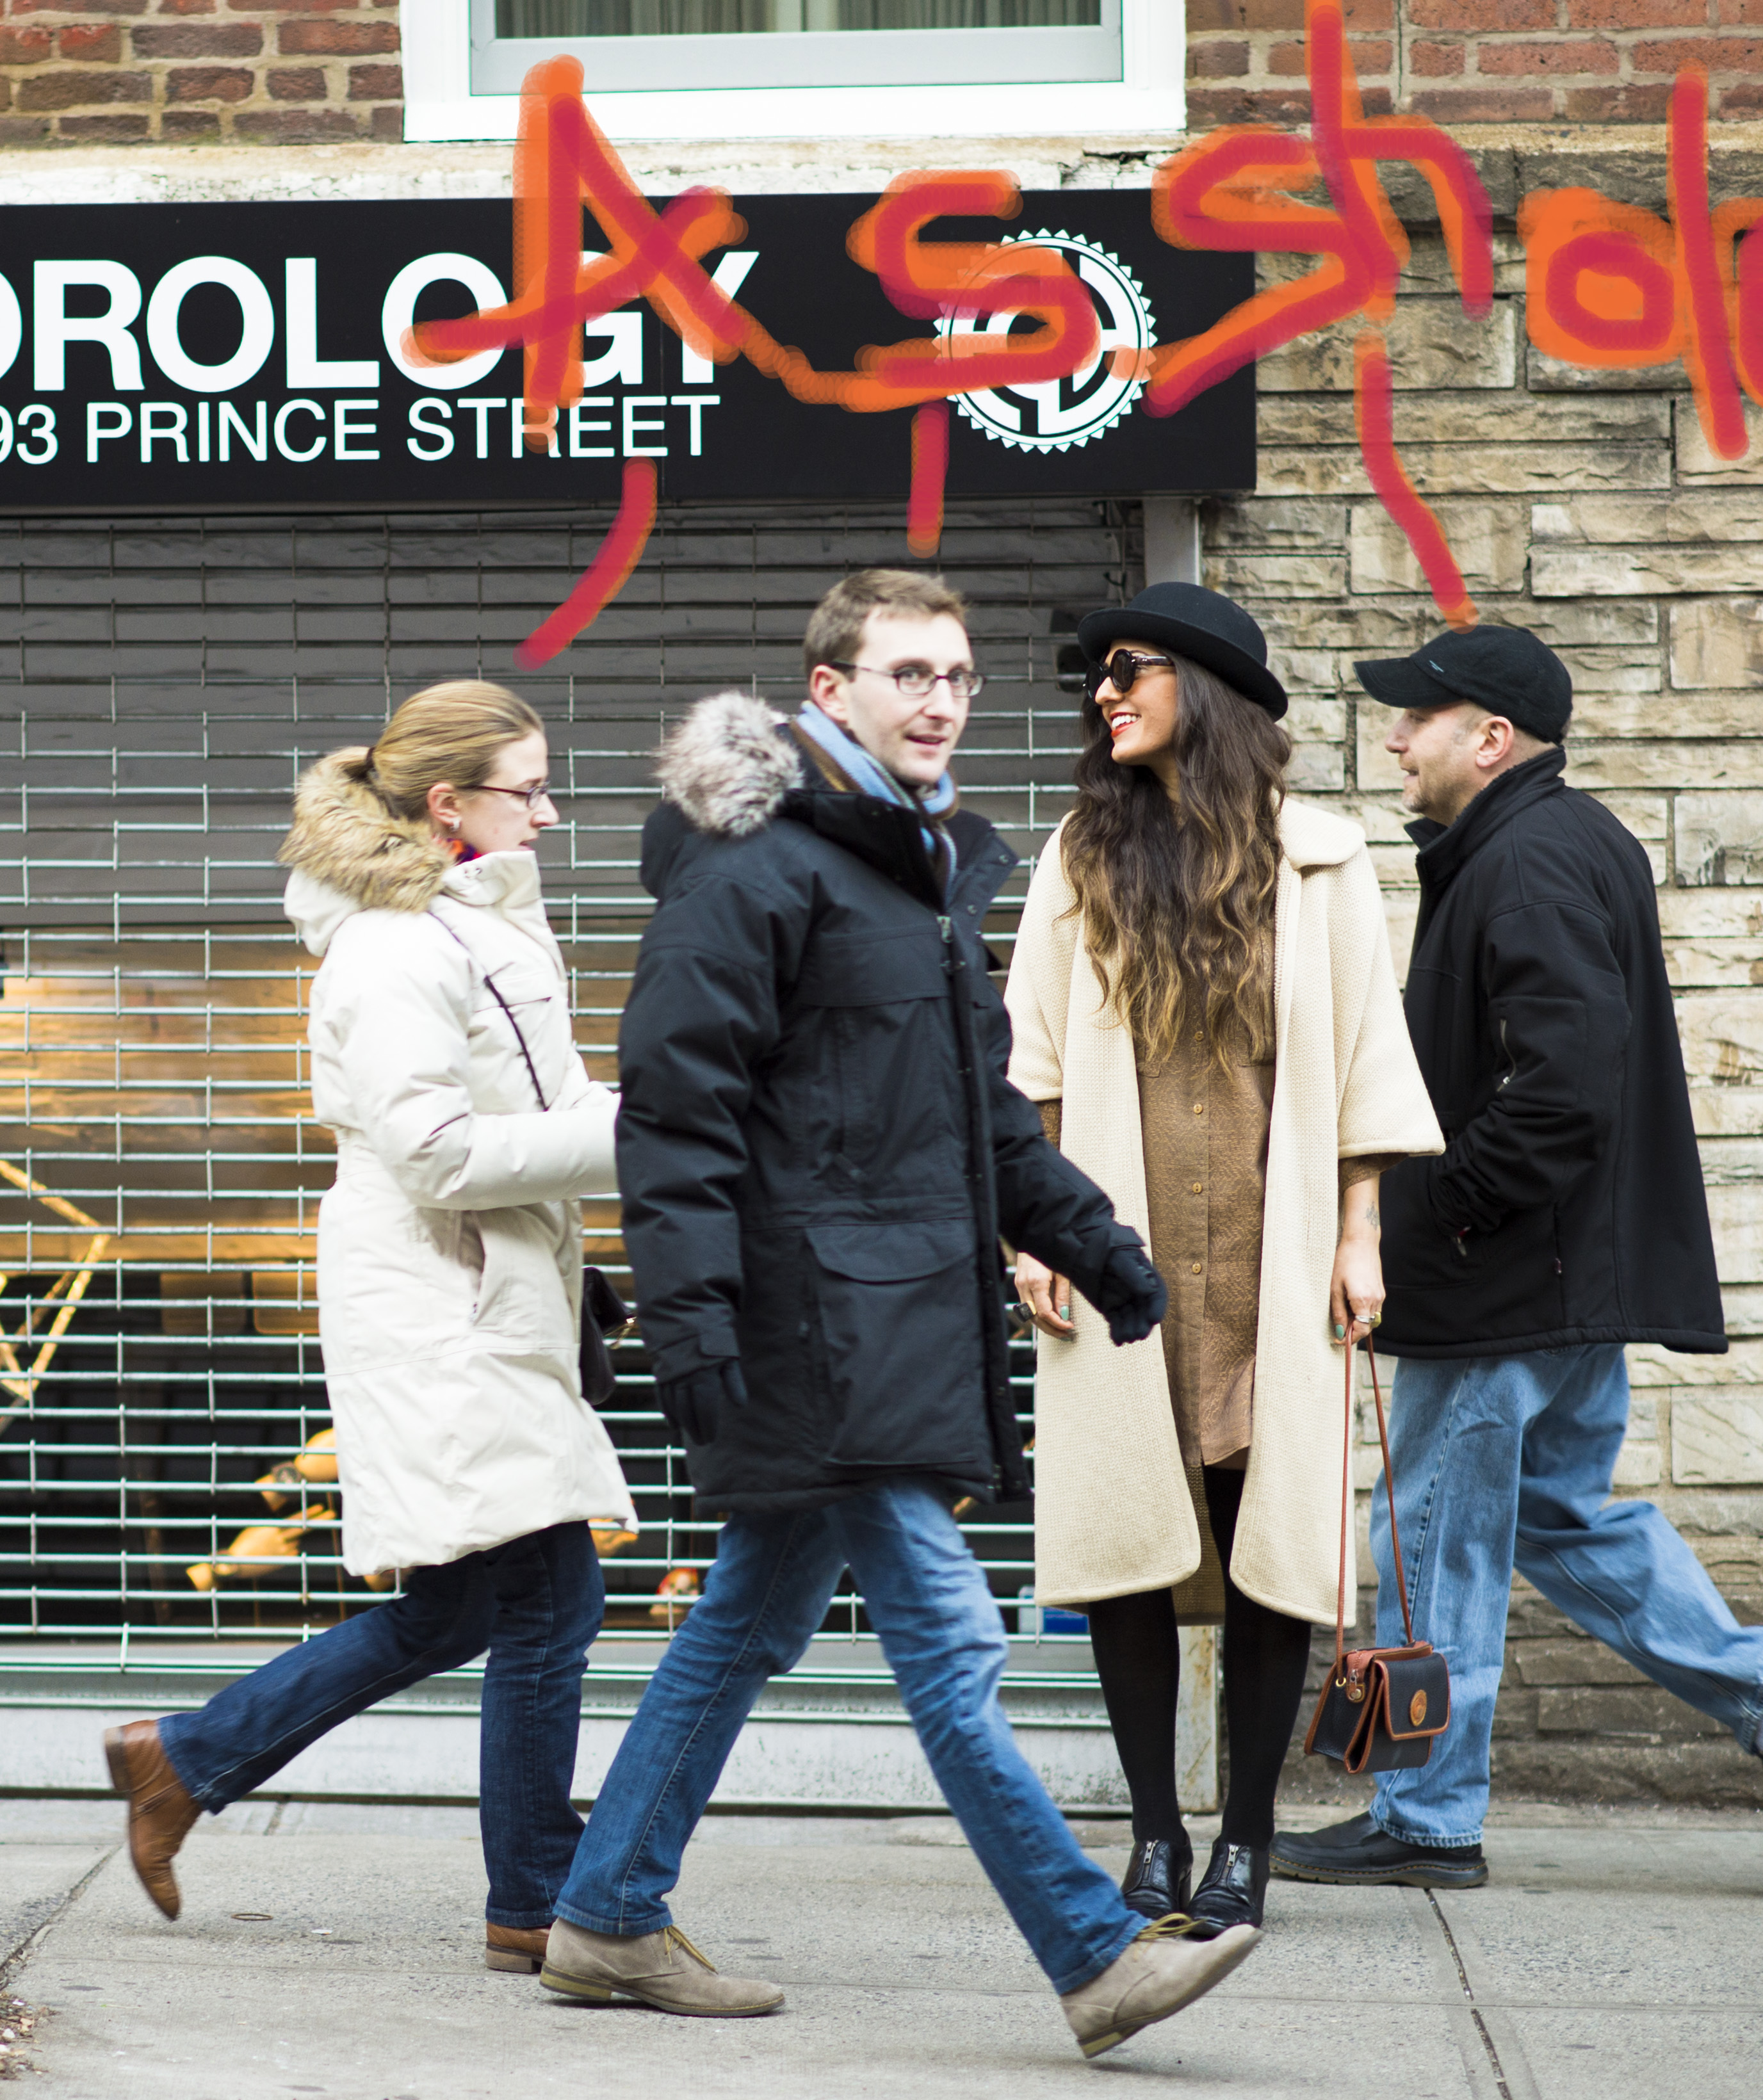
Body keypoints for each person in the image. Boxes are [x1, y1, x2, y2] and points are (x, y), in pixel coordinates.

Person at [535, 568, 1263, 2062]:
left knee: (740, 1623)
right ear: (827, 692)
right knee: (947, 1636)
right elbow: (677, 1122)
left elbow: (973, 1117)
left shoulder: (908, 872)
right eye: (909, 675)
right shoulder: (753, 873)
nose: (942, 701)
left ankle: (606, 1910)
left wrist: (1097, 1244)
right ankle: (1091, 1949)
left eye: (959, 678)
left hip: (889, 1322)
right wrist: (692, 1329)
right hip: (814, 1333)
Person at [1272, 624, 1763, 1897]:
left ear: (1488, 736)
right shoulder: (1556, 839)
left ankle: (1424, 1816)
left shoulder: (1528, 859)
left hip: (1503, 1284)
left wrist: (1439, 1222)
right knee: (1556, 1513)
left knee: (1424, 1536)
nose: (1392, 736)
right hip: (1557, 1283)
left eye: (1415, 716)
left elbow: (1560, 1090)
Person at [101, 680, 636, 1973]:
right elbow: (442, 1153)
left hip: (496, 1297)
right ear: (448, 805)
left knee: (456, 1611)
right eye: (528, 789)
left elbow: (545, 1103)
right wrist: (646, 1130)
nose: (552, 813)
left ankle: (183, 1754)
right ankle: (535, 1899)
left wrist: (645, 1108)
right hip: (444, 1307)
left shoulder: (483, 925)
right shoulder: (396, 949)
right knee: (552, 1602)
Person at [1006, 582, 1443, 1940]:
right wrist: (1032, 1226)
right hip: (1119, 1247)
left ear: (1205, 685)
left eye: (1125, 668)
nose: (1102, 692)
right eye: (1098, 674)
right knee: (1130, 1535)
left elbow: (1369, 1060)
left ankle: (1243, 1840)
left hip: (1277, 1251)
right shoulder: (1081, 854)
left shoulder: (1320, 862)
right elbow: (1027, 1066)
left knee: (1272, 1546)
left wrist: (1362, 1235)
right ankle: (1151, 1832)